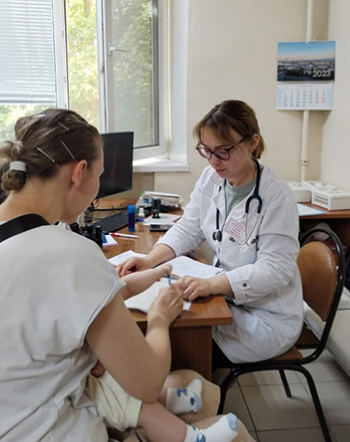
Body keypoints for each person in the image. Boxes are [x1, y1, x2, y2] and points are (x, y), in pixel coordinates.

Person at [0, 108, 260, 442]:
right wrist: (159, 318)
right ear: (78, 173)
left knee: (197, 390)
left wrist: (150, 271)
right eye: (100, 176)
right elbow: (147, 382)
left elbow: (52, 300)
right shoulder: (67, 253)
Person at [118, 100, 303, 365]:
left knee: (181, 343)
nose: (214, 161)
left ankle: (194, 386)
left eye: (223, 151)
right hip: (225, 297)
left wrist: (212, 285)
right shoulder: (211, 178)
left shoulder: (276, 198)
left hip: (266, 317)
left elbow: (275, 270)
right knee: (165, 321)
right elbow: (189, 227)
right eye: (207, 150)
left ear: (252, 142)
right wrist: (150, 260)